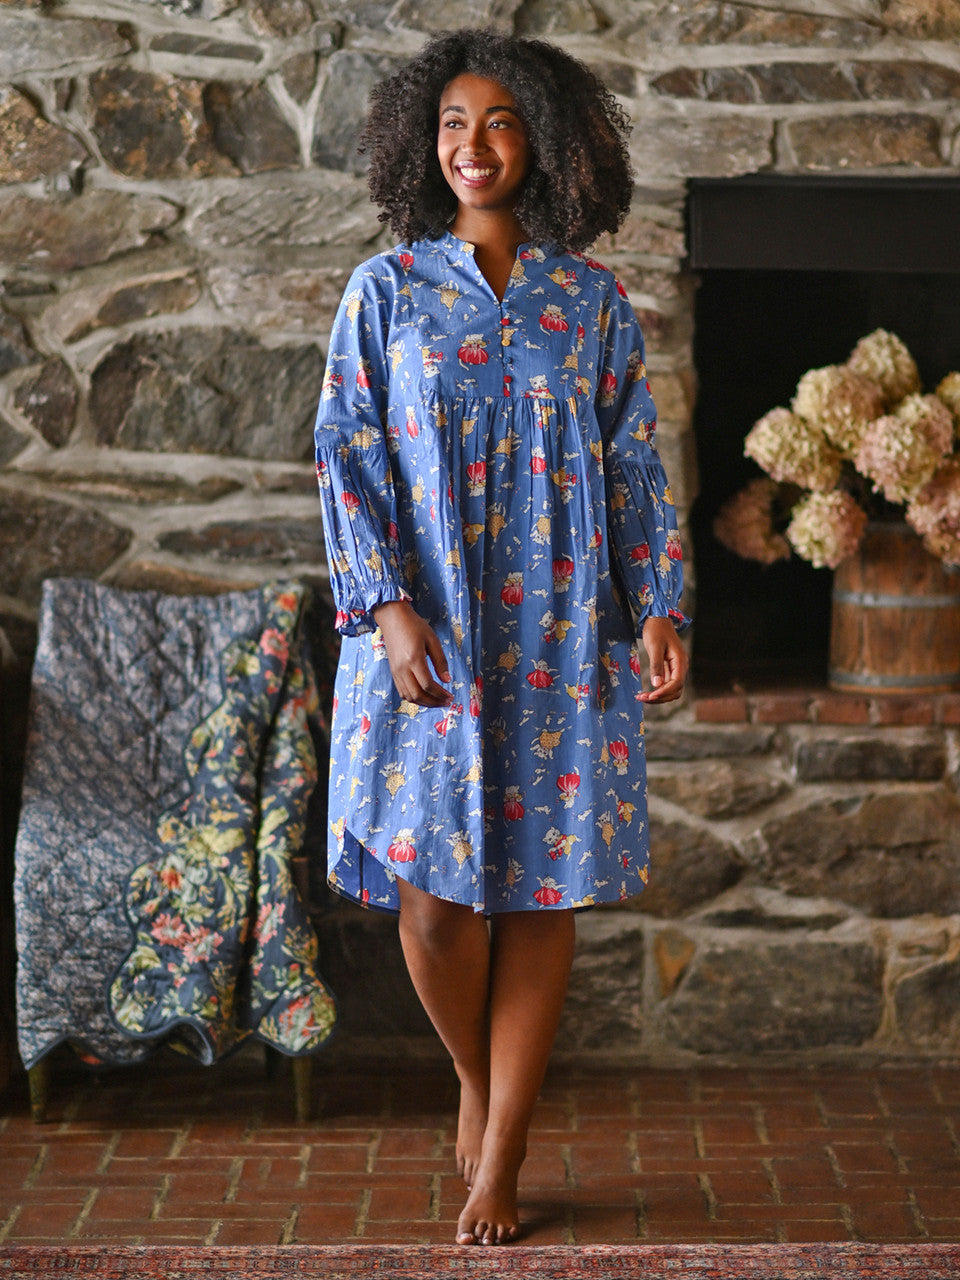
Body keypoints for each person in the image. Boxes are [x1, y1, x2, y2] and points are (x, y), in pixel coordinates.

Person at [313, 28, 689, 1247]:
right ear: (427, 145)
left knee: (538, 892)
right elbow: (349, 458)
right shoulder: (384, 292)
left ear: (545, 140)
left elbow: (633, 462)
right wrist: (383, 603)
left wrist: (664, 601)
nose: (474, 145)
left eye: (500, 122)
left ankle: (506, 1144)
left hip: (564, 625)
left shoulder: (590, 301)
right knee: (432, 906)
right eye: (453, 125)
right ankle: (477, 1079)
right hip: (427, 632)